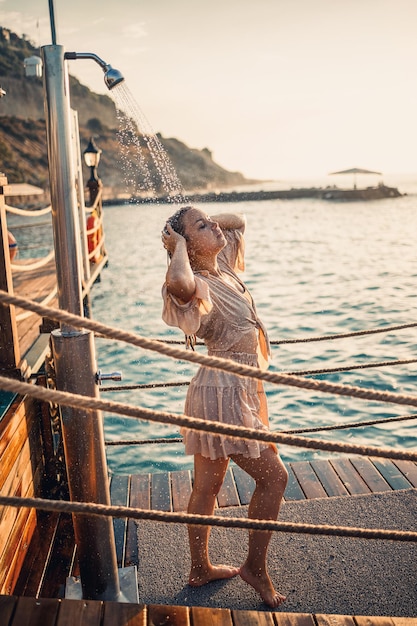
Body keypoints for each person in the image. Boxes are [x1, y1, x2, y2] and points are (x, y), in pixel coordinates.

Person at [161, 206, 288, 608]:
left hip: (231, 390)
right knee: (275, 479)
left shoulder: (223, 268)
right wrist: (179, 243)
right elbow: (177, 282)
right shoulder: (196, 280)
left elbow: (237, 222)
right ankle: (255, 568)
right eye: (203, 227)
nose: (215, 227)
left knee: (208, 486)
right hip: (222, 396)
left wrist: (204, 224)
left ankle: (199, 568)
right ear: (189, 246)